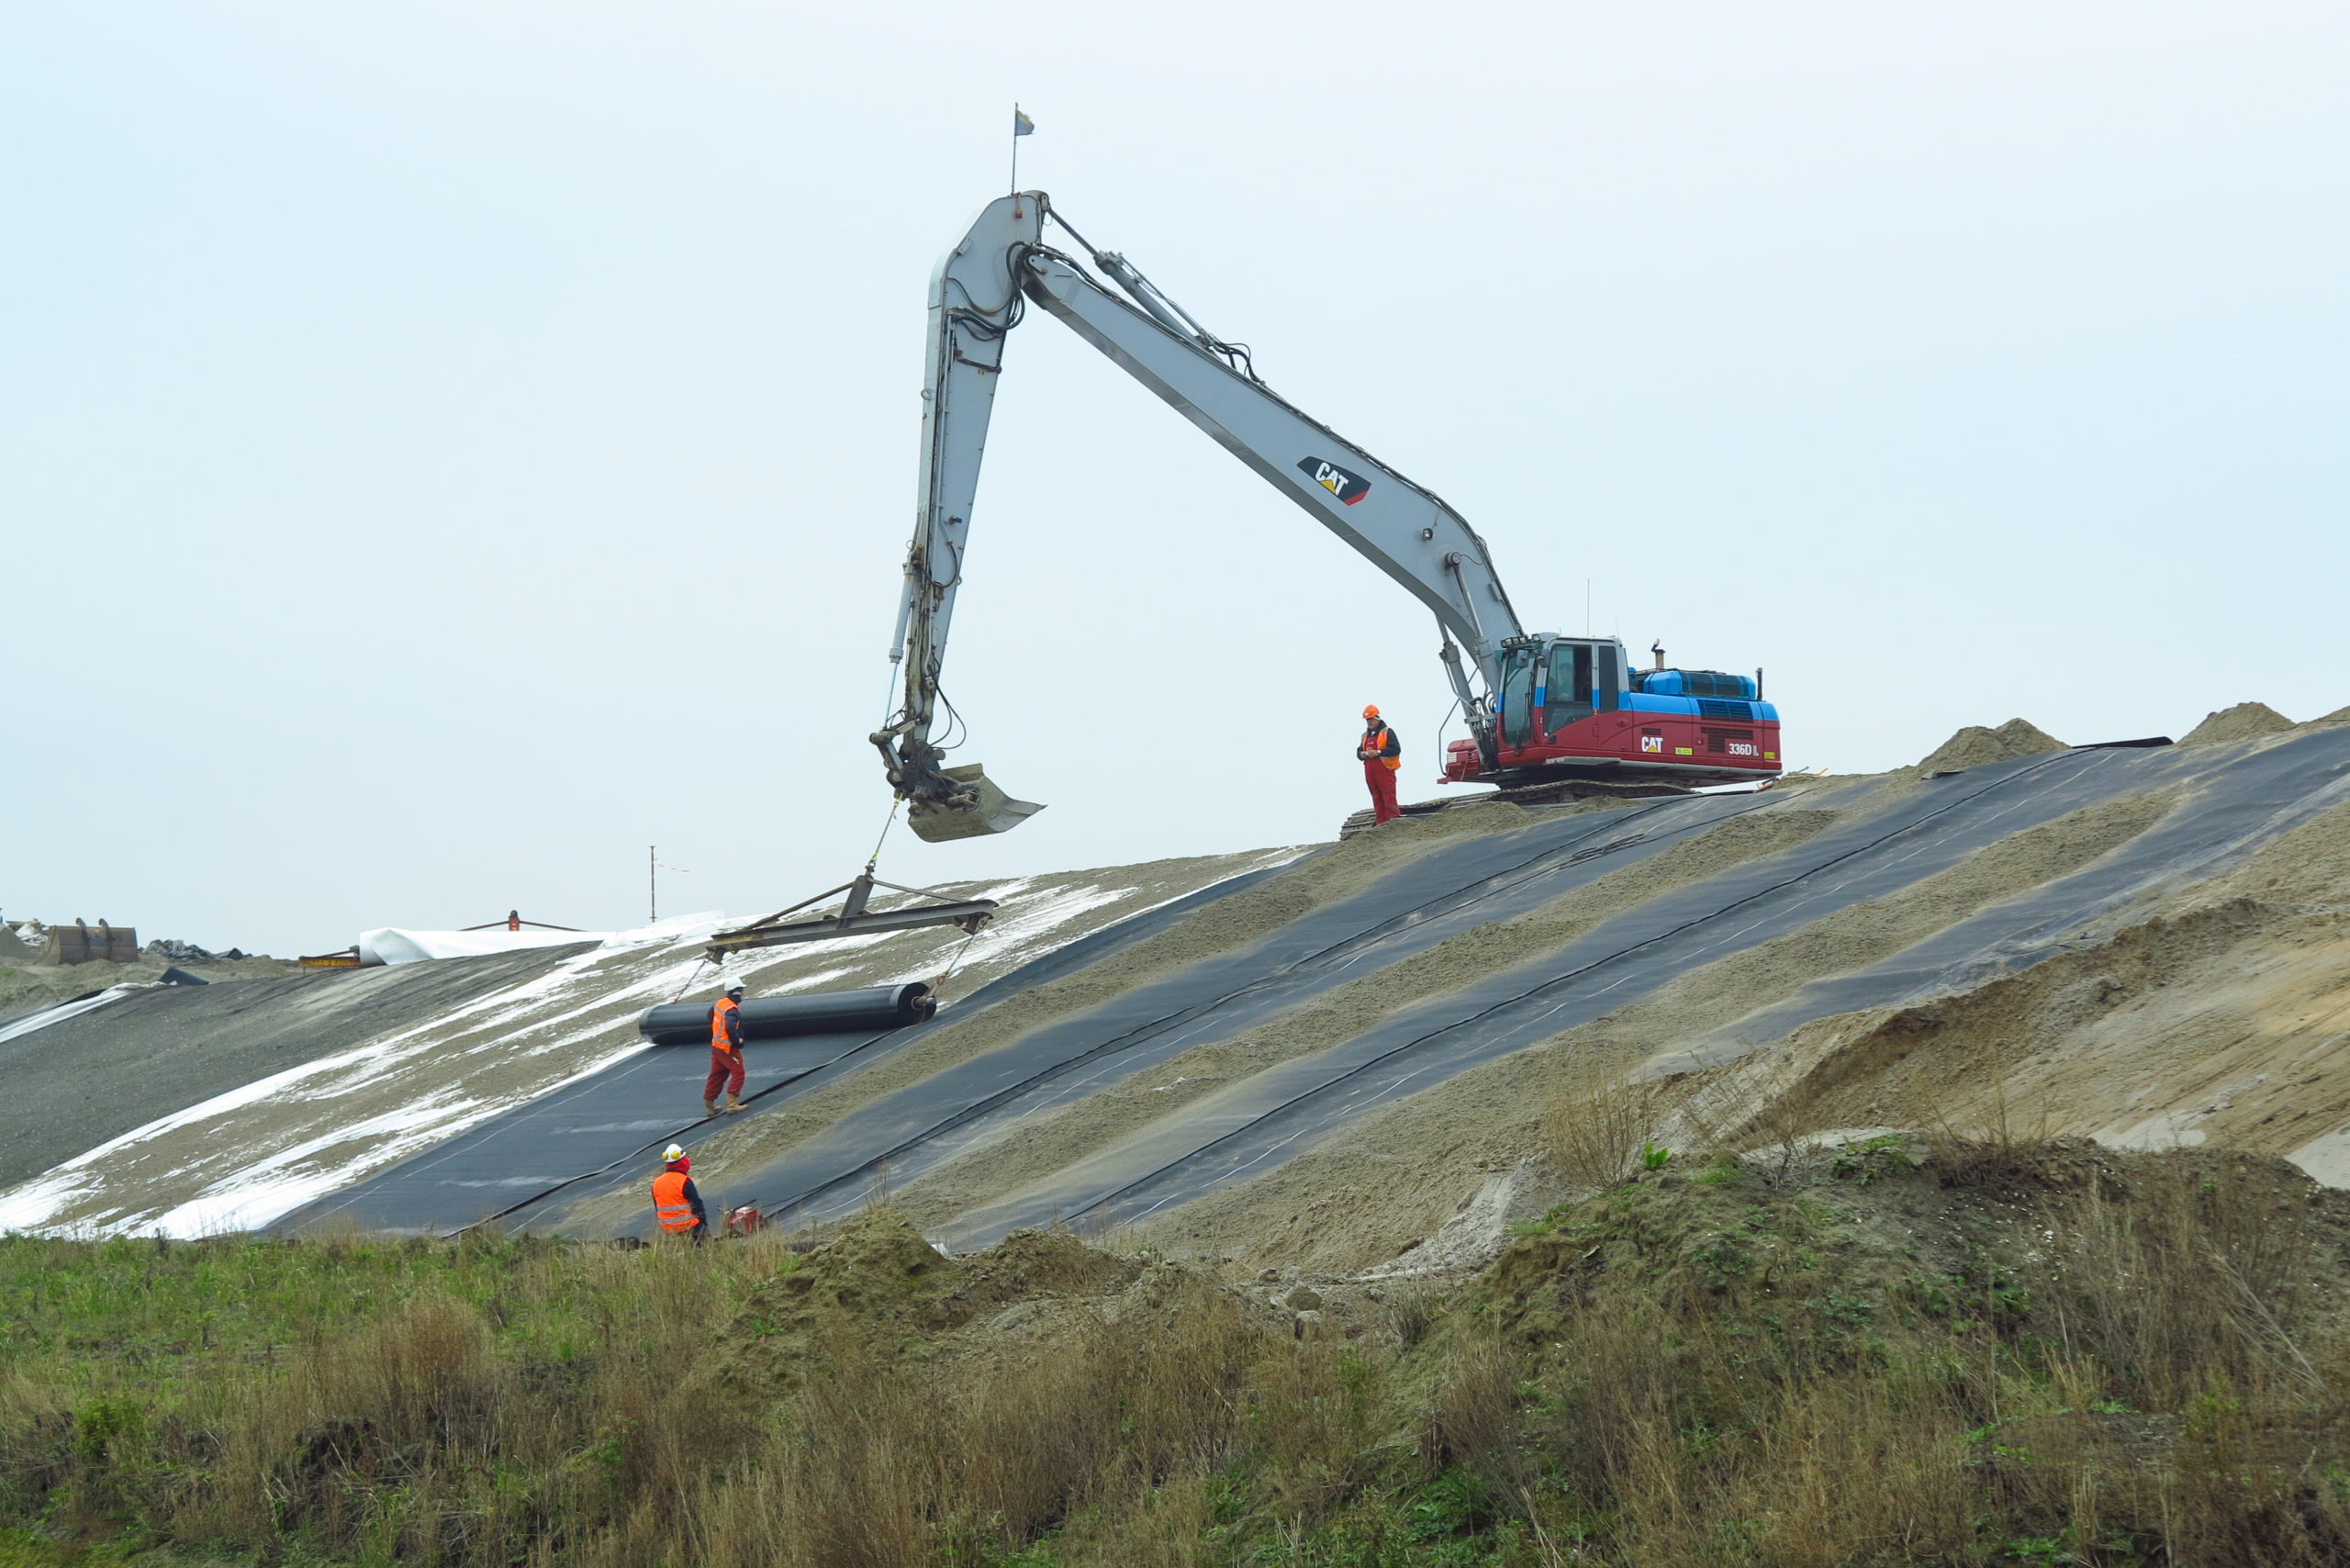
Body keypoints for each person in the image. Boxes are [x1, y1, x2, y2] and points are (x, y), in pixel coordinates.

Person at [704, 980, 747, 1116]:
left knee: (717, 1075)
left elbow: (709, 1016)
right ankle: (732, 1104)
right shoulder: (732, 1010)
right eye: (741, 991)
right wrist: (737, 1041)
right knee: (738, 1072)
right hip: (727, 1048)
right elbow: (730, 1027)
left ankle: (710, 1107)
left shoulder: (721, 1002)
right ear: (737, 991)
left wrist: (718, 1032)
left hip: (716, 1046)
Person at [649, 1143, 708, 1243]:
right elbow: (697, 1206)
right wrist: (703, 1224)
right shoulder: (684, 1181)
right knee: (703, 1243)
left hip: (668, 1229)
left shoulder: (656, 1182)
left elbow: (657, 1207)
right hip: (688, 1226)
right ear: (683, 1161)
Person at [1358, 704, 1402, 824]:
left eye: (1371, 719)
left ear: (1377, 718)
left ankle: (1393, 821)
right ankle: (1381, 823)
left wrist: (1379, 752)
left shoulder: (1387, 732)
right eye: (1367, 719)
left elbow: (1395, 749)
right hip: (1370, 769)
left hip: (1384, 769)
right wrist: (1361, 754)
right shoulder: (1365, 736)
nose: (1369, 722)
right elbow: (1358, 751)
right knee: (1376, 796)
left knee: (1388, 795)